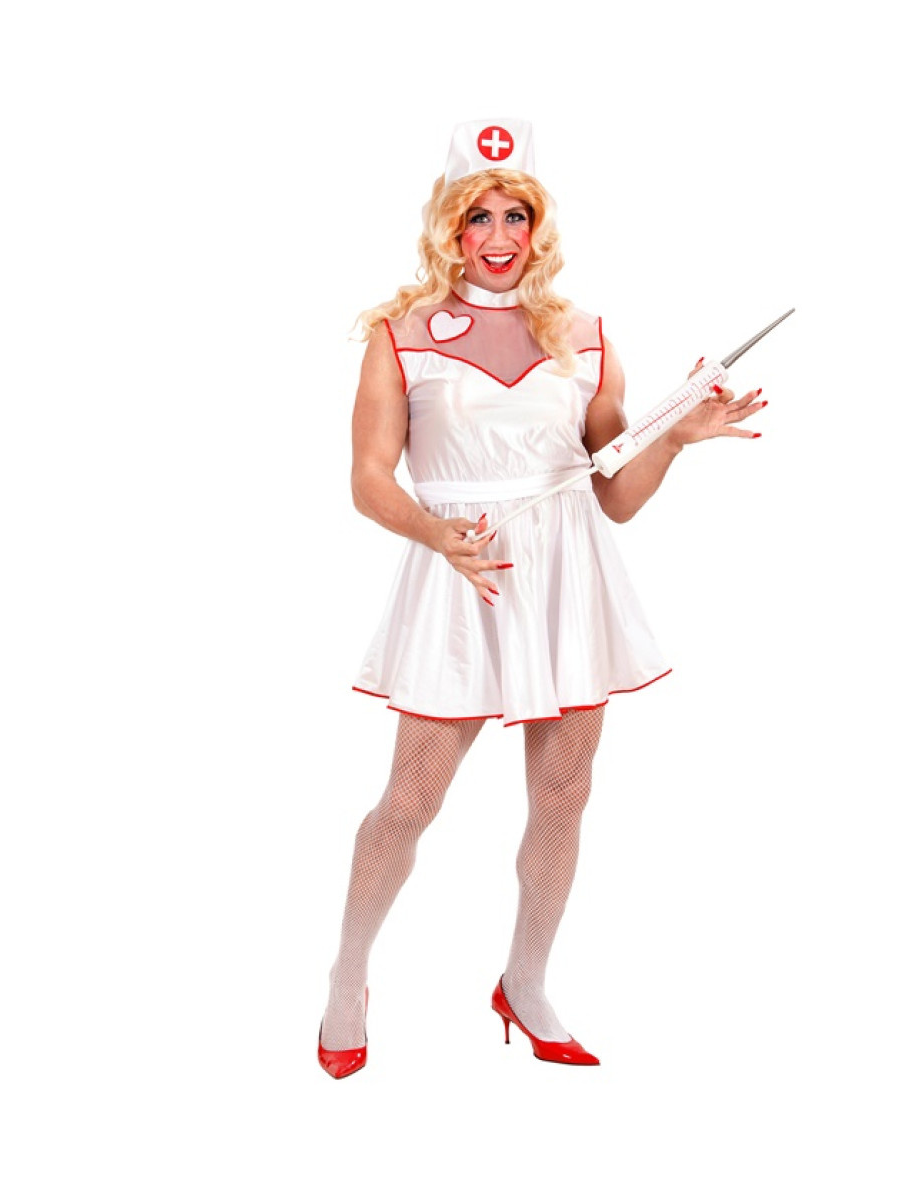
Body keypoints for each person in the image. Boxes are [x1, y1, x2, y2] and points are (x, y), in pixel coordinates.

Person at [318, 120, 765, 1078]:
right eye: (477, 215)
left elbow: (615, 494)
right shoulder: (401, 337)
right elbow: (368, 478)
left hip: (567, 580)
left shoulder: (584, 336)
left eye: (515, 215)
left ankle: (524, 982)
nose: (498, 234)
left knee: (563, 796)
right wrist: (436, 533)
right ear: (449, 226)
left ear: (538, 225)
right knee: (410, 800)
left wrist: (676, 437)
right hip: (461, 574)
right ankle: (347, 977)